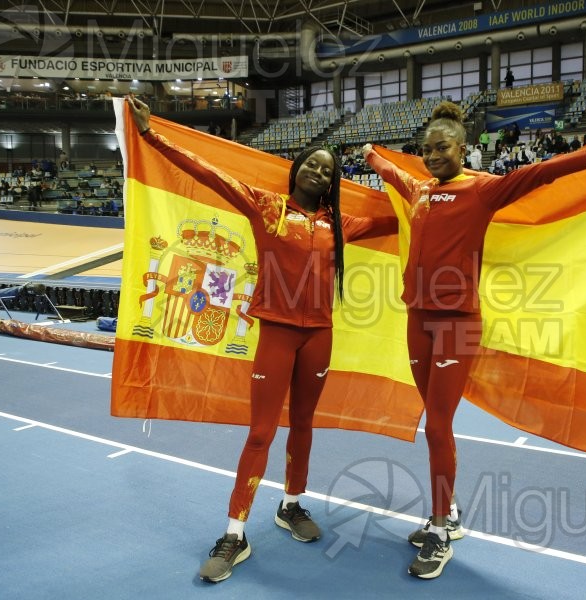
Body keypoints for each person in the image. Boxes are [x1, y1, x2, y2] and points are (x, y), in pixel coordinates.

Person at [362, 101, 586, 580]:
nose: (432, 157)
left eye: (441, 148)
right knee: (434, 424)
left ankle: (440, 531)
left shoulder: (484, 191)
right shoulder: (419, 188)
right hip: (416, 319)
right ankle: (452, 511)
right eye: (426, 151)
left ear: (462, 148)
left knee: (438, 427)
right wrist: (371, 155)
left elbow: (550, 170)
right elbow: (391, 172)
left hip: (456, 322)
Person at [127, 96, 397, 584]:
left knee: (305, 425)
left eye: (327, 169)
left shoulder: (340, 225)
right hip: (276, 334)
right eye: (312, 164)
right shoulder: (266, 208)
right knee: (260, 433)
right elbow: (210, 174)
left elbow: (401, 218)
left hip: (319, 336)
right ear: (297, 170)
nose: (318, 171)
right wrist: (151, 136)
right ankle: (234, 534)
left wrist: (432, 193)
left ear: (333, 182)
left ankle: (291, 505)